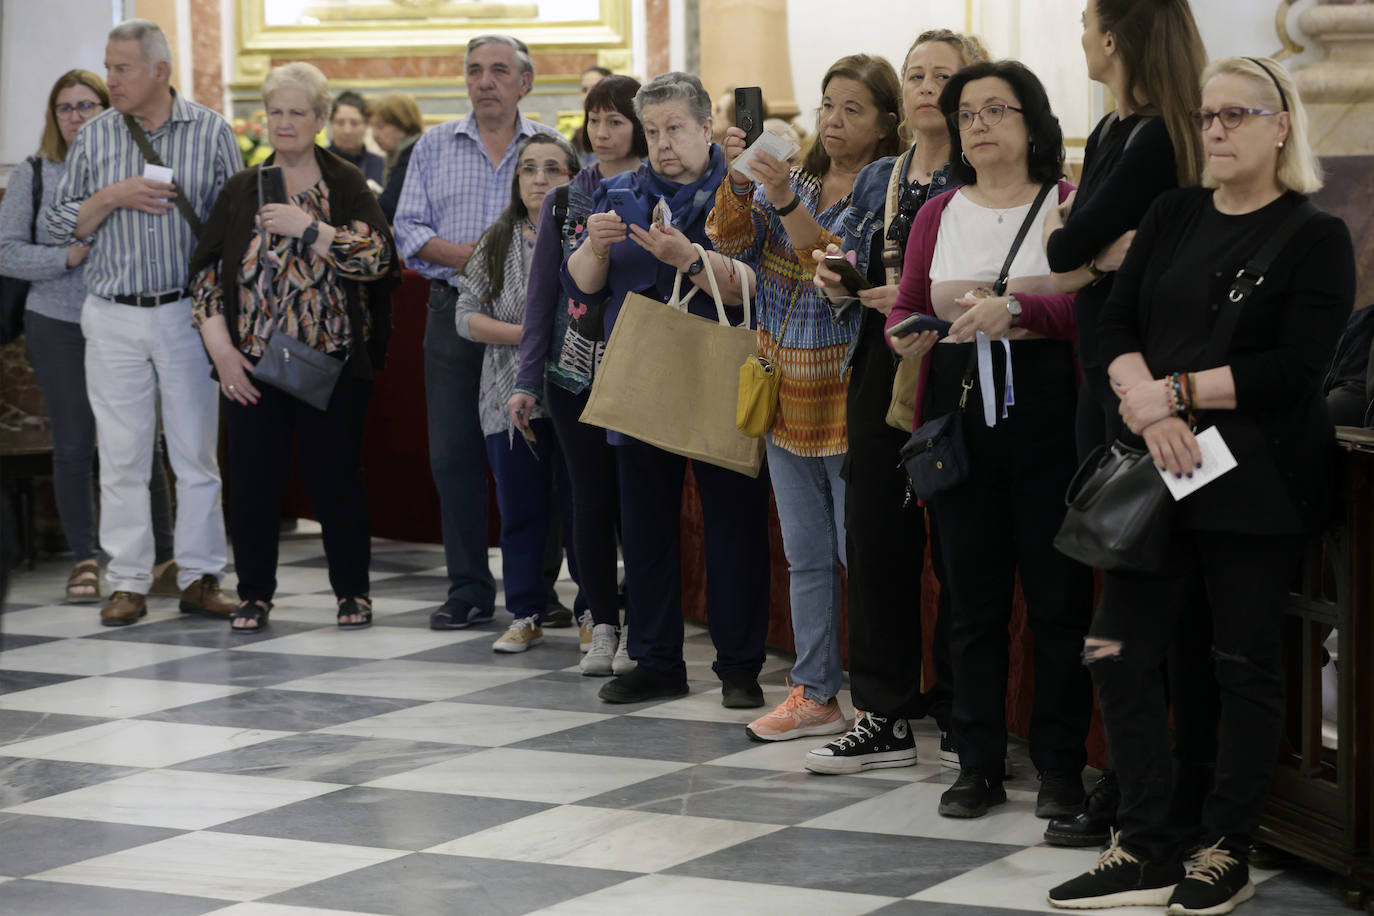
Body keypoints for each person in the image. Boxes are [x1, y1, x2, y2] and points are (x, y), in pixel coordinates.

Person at [1049, 57, 1354, 915]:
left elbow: (1294, 371)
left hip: (1254, 483)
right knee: (1116, 648)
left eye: (1236, 114)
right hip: (1156, 471)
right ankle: (1144, 842)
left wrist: (1175, 393)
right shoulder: (1173, 212)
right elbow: (1114, 322)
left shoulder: (1313, 235)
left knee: (1240, 666)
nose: (1215, 129)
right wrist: (1149, 411)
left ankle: (1225, 847)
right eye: (1207, 114)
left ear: (1282, 124)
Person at [884, 60, 1092, 820]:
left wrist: (1024, 313)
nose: (978, 124)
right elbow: (906, 305)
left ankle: (1062, 765)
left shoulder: (1067, 206)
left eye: (995, 110)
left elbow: (1092, 313)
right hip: (960, 413)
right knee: (969, 600)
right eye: (967, 113)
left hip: (1049, 420)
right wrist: (904, 334)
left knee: (1057, 601)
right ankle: (976, 761)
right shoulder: (938, 213)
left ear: (1033, 123)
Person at [1039, 0, 1213, 850]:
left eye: (1086, 22)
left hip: (1148, 384)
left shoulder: (1153, 136)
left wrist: (1100, 250)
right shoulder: (1117, 130)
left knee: (1154, 591)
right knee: (1126, 584)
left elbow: (1072, 249)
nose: (1080, 37)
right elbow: (1069, 255)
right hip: (1101, 373)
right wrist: (1093, 248)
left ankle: (1160, 786)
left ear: (1116, 37)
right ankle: (1136, 776)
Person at [805, 29, 984, 774]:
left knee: (960, 544)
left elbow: (1006, 280)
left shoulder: (988, 172)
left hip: (960, 366)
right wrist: (836, 276)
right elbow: (833, 248)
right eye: (915, 73)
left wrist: (920, 302)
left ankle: (959, 707)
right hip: (882, 363)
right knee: (875, 538)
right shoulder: (884, 174)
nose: (925, 86)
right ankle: (884, 713)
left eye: (944, 75)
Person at [563, 71, 772, 706]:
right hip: (643, 367)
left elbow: (758, 287)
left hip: (719, 365)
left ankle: (739, 667)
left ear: (708, 126)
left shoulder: (744, 187)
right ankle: (656, 659)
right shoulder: (617, 188)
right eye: (651, 131)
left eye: (675, 129)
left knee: (733, 524)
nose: (662, 144)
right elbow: (581, 287)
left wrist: (688, 258)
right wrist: (596, 249)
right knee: (646, 524)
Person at [709, 55, 901, 742]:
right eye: (828, 106)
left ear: (885, 124)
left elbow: (835, 264)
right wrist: (737, 176)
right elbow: (729, 241)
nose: (835, 120)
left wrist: (783, 195)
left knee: (864, 555)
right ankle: (814, 691)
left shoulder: (884, 189)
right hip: (784, 388)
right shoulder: (802, 177)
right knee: (807, 554)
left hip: (851, 392)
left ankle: (882, 700)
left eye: (853, 109)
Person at [188, 61, 399, 633]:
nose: (285, 122)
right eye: (275, 111)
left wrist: (310, 228)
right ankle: (254, 594)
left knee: (337, 480)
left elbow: (378, 259)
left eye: (298, 112)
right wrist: (224, 355)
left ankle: (352, 592)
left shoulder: (346, 183)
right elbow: (205, 279)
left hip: (328, 362)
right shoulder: (240, 189)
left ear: (321, 119)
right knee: (254, 485)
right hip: (252, 365)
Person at [46, 19, 241, 626]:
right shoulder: (96, 135)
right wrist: (110, 197)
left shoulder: (211, 131)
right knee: (124, 455)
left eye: (122, 68)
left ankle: (200, 576)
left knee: (195, 456)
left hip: (187, 316)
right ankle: (128, 581)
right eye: (108, 67)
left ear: (160, 70)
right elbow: (57, 226)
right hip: (111, 316)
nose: (111, 80)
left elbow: (236, 229)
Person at [393, 35, 562, 632]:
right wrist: (483, 262)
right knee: (455, 454)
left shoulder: (549, 148)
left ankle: (539, 592)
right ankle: (467, 587)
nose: (484, 81)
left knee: (539, 449)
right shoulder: (435, 144)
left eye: (497, 70)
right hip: (454, 316)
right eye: (474, 71)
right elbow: (408, 230)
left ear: (525, 82)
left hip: (538, 321)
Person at [0, 69, 178, 603]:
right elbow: (7, 251)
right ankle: (85, 559)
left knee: (141, 440)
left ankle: (163, 557)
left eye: (87, 105)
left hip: (128, 318)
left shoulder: (134, 165)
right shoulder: (36, 173)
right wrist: (65, 256)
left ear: (109, 108)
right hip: (57, 321)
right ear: (54, 117)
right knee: (76, 442)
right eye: (66, 108)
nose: (76, 117)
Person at [510, 74, 647, 675]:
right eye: (595, 121)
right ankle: (602, 626)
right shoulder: (568, 198)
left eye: (615, 120)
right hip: (573, 375)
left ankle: (646, 627)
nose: (603, 132)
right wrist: (524, 378)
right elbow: (541, 295)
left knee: (640, 504)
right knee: (588, 502)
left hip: (643, 369)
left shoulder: (660, 190)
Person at [454, 133, 580, 652]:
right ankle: (526, 611)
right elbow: (465, 317)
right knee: (521, 508)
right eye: (529, 169)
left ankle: (594, 612)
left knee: (581, 508)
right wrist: (529, 337)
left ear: (575, 177)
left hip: (578, 392)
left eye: (553, 169)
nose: (540, 178)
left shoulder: (589, 234)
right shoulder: (499, 238)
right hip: (507, 397)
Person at [368, 92, 424, 222]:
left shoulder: (414, 156)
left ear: (402, 125)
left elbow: (387, 209)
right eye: (372, 127)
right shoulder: (398, 155)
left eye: (380, 127)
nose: (374, 134)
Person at [327, 91, 384, 186]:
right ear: (331, 124)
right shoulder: (316, 163)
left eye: (354, 123)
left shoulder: (381, 166)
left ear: (366, 125)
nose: (347, 131)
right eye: (340, 123)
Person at [573, 65, 612, 166]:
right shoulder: (576, 138)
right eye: (584, 90)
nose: (588, 96)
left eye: (595, 89)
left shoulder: (623, 133)